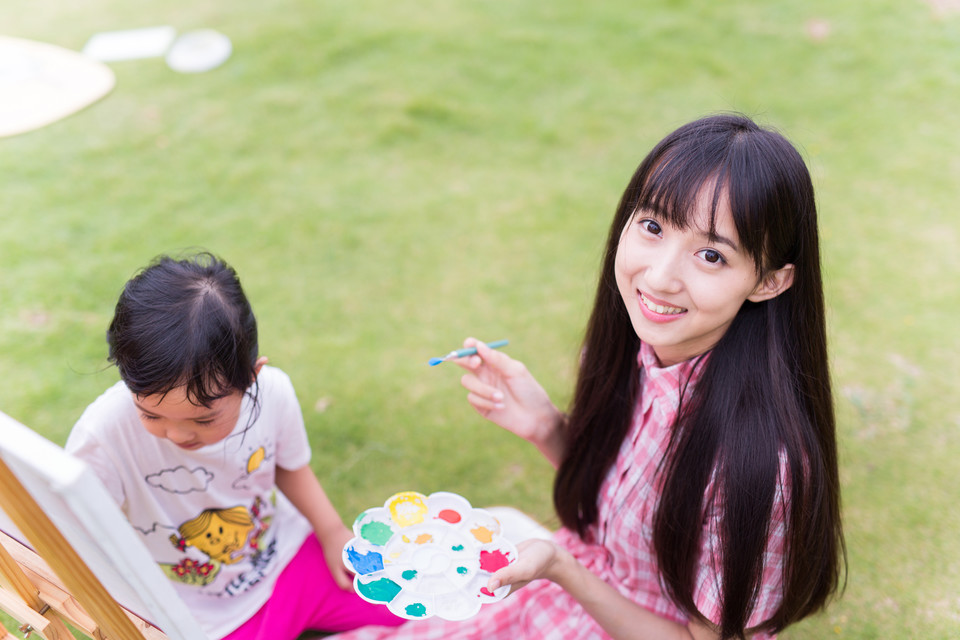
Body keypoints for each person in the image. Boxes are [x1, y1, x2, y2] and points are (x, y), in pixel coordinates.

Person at [335, 114, 845, 640]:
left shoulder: (767, 469)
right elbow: (627, 517)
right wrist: (549, 429)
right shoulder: (637, 349)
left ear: (769, 281)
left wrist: (560, 569)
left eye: (711, 255)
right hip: (576, 594)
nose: (660, 276)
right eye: (653, 227)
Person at [66, 253, 403, 639]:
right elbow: (75, 526)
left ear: (252, 377)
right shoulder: (104, 433)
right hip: (203, 615)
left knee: (411, 606)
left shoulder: (273, 392)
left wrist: (330, 531)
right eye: (151, 415)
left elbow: (290, 467)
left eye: (203, 419)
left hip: (289, 559)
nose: (177, 435)